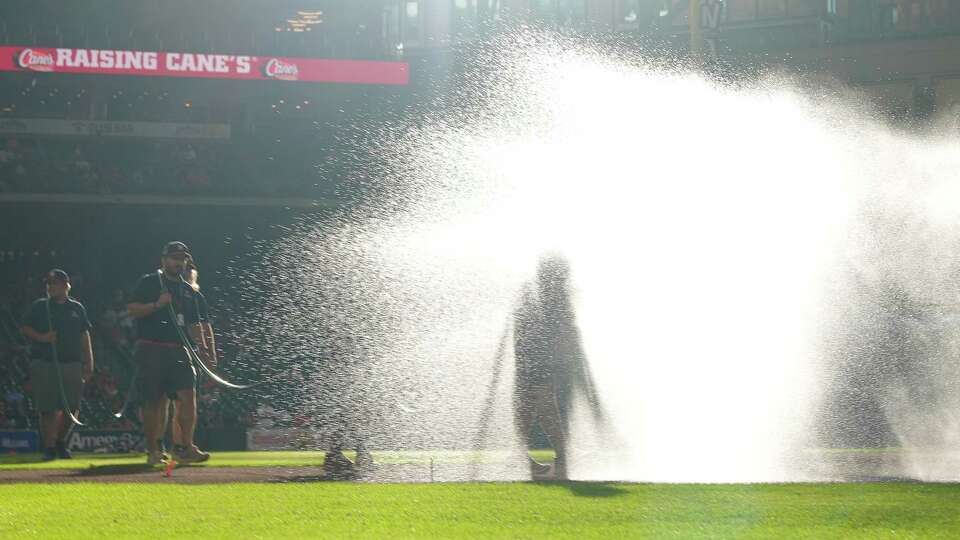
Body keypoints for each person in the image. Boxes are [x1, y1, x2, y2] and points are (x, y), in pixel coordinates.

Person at [127, 241, 214, 465]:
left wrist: (203, 348)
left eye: (182, 258)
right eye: (174, 258)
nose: (178, 262)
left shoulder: (188, 291)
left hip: (179, 349)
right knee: (154, 401)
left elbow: (196, 325)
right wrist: (157, 305)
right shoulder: (149, 282)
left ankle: (185, 446)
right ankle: (153, 448)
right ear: (164, 260)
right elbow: (132, 309)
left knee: (188, 399)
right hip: (152, 347)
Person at [20, 269, 94, 460]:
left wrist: (89, 362)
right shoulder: (40, 306)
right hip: (45, 362)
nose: (51, 287)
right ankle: (50, 446)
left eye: (55, 283)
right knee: (48, 407)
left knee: (72, 407)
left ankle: (60, 441)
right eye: (49, 284)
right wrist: (42, 337)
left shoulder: (77, 308)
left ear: (66, 285)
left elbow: (84, 335)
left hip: (72, 363)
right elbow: (25, 328)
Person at [512, 255, 572, 479]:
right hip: (531, 363)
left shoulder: (547, 298)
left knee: (544, 414)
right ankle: (540, 464)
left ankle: (557, 463)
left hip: (538, 364)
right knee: (530, 415)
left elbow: (557, 333)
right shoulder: (536, 296)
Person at [166, 257, 217, 459]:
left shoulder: (196, 297)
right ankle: (177, 446)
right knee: (176, 402)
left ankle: (182, 446)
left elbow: (206, 327)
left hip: (187, 353)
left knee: (185, 401)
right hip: (169, 350)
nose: (187, 276)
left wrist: (210, 353)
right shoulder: (168, 294)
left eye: (190, 273)